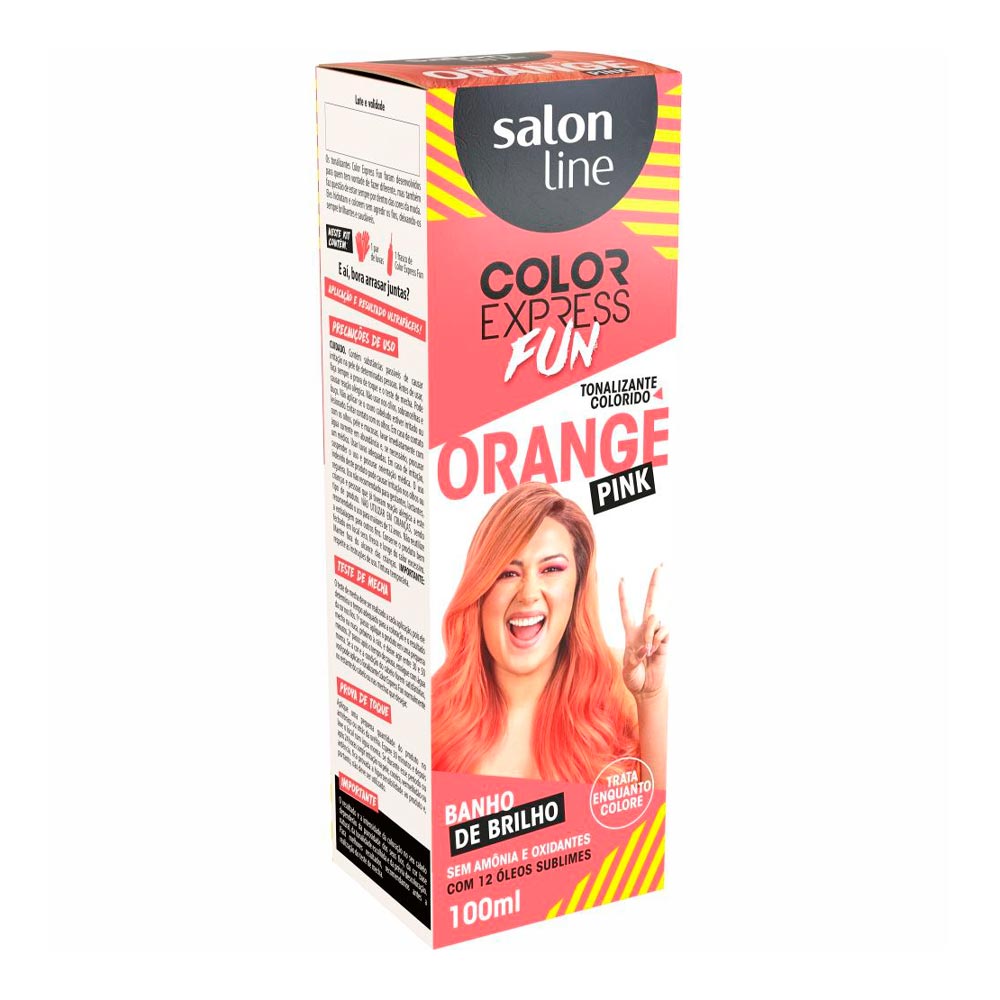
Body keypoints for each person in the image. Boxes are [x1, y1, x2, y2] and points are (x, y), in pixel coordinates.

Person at [431, 482, 667, 786]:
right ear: (481, 591)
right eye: (508, 573)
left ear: (577, 587)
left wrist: (651, 698)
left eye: (551, 569)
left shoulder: (619, 688)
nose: (528, 594)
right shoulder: (430, 714)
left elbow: (656, 813)